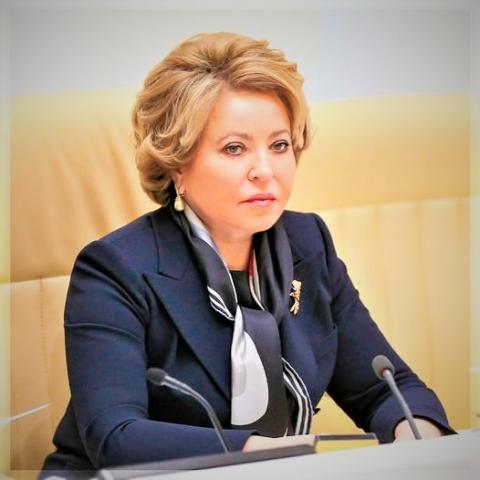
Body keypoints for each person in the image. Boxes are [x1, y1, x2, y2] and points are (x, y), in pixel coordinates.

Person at [41, 32, 452, 474]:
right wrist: (280, 456)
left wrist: (418, 441)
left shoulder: (308, 243)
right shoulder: (115, 268)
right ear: (177, 163)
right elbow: (116, 437)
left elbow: (386, 388)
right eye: (234, 148)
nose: (265, 170)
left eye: (279, 145)